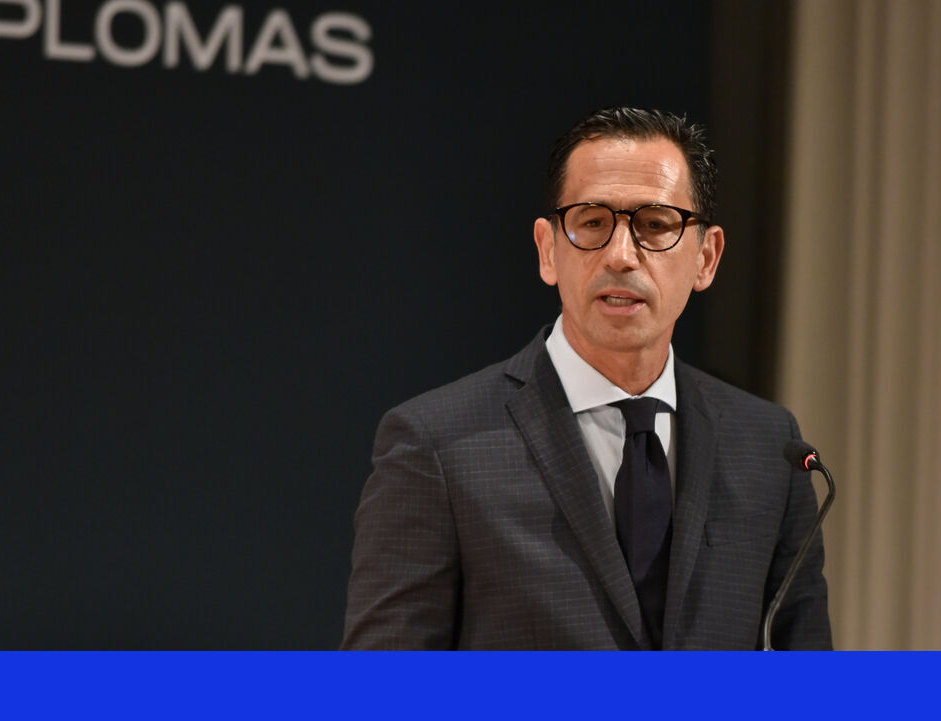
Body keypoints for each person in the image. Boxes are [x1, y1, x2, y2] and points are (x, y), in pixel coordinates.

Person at [341, 108, 831, 650]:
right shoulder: (438, 445)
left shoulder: (769, 447)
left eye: (656, 225)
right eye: (593, 222)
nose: (621, 256)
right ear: (548, 250)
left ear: (706, 258)